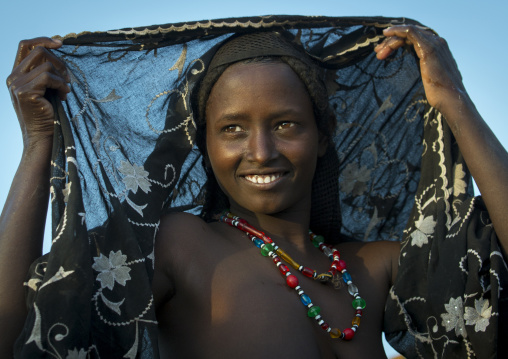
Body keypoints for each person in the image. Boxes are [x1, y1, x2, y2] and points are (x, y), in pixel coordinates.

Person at [1, 17, 507, 358]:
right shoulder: (177, 243)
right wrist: (38, 146)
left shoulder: (374, 267)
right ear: (204, 144)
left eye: (286, 124)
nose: (261, 151)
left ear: (323, 136)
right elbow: (17, 330)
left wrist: (456, 104)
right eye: (233, 129)